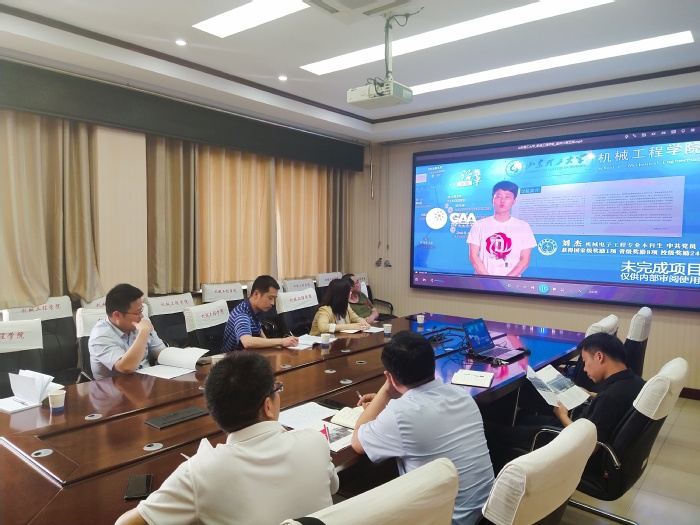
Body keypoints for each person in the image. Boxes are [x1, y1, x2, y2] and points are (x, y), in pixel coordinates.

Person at [115, 352, 339, 525]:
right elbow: (332, 488)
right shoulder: (315, 442)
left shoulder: (201, 471)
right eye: (276, 389)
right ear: (268, 406)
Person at [350, 331, 494, 525]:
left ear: (391, 377)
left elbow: (357, 441)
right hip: (487, 513)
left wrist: (386, 392)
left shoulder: (399, 415)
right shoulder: (462, 395)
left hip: (446, 520)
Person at [486, 332, 645, 474]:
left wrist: (562, 416)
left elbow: (589, 446)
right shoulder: (635, 382)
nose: (584, 369)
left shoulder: (608, 399)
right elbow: (616, 404)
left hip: (570, 446)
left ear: (599, 357)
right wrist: (591, 395)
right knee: (524, 419)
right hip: (582, 426)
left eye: (585, 361)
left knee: (497, 434)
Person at [89, 283, 167, 381]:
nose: (142, 316)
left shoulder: (141, 323)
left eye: (141, 310)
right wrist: (143, 332)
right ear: (117, 315)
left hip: (146, 381)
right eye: (137, 313)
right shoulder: (100, 336)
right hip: (115, 387)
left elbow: (161, 352)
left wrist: (182, 357)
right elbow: (126, 367)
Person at [467, 180, 536, 277]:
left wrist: (505, 281)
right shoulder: (479, 225)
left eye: (507, 197)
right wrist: (489, 279)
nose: (502, 200)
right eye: (499, 196)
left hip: (511, 282)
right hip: (483, 281)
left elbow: (525, 260)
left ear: (514, 201)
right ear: (492, 200)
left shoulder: (523, 226)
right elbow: (473, 257)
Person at [221, 275, 298, 352]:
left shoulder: (255, 309)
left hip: (247, 354)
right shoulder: (241, 314)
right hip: (233, 357)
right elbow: (247, 342)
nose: (273, 303)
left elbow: (259, 330)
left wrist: (272, 345)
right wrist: (281, 341)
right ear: (256, 294)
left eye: (274, 299)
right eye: (270, 298)